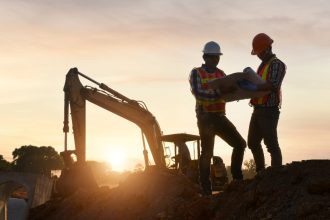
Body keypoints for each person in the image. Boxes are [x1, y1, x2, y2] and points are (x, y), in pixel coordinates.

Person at [189, 41, 246, 196]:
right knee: (207, 153)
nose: (216, 60)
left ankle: (237, 180)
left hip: (220, 117)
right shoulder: (196, 73)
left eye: (217, 57)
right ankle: (206, 189)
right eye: (213, 57)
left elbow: (228, 94)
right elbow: (199, 93)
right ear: (205, 57)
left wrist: (236, 90)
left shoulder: (221, 74)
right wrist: (220, 93)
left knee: (240, 144)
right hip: (205, 117)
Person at [242, 33, 286, 172]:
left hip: (269, 110)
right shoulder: (262, 66)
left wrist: (254, 87)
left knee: (271, 144)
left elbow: (272, 85)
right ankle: (261, 173)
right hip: (258, 109)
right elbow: (260, 84)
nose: (258, 56)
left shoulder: (278, 65)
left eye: (259, 53)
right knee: (253, 143)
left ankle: (276, 176)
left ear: (267, 49)